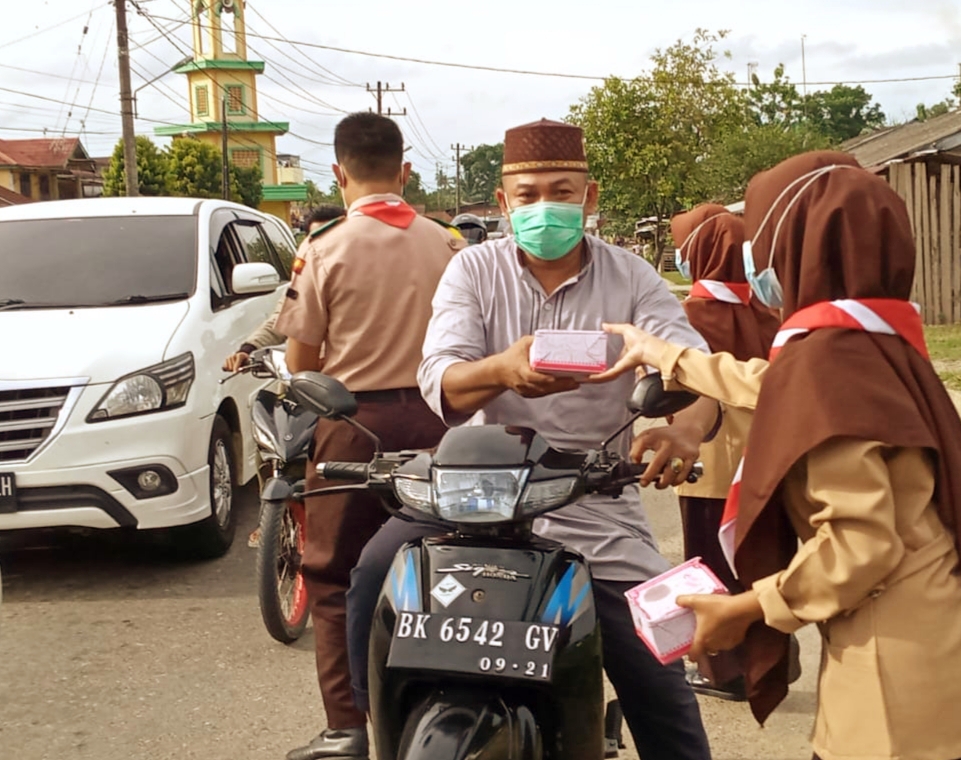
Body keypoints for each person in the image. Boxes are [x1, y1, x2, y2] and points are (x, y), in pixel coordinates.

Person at [598, 151, 961, 760]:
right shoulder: (876, 340)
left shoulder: (830, 363)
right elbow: (782, 387)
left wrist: (745, 609)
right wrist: (669, 357)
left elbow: (860, 545)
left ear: (793, 246)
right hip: (958, 663)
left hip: (897, 705)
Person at [346, 119, 719, 760]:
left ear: (589, 197)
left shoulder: (633, 280)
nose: (545, 206)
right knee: (373, 576)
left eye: (562, 191)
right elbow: (440, 378)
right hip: (471, 494)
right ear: (503, 203)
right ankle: (367, 731)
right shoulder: (470, 271)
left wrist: (684, 430)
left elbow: (697, 369)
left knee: (656, 669)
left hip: (592, 492)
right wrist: (503, 370)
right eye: (528, 195)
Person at [275, 112, 465, 760]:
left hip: (353, 430)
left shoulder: (323, 249)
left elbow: (301, 365)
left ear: (338, 171)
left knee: (331, 579)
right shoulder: (449, 245)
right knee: (450, 564)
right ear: (405, 170)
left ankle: (349, 729)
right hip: (445, 427)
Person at [665, 204, 781, 702]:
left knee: (708, 562)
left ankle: (721, 670)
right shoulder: (765, 312)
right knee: (758, 564)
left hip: (709, 466)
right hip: (763, 463)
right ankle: (766, 667)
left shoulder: (688, 315)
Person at [222, 205, 345, 374]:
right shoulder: (305, 279)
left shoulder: (361, 279)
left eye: (331, 238)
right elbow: (280, 321)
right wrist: (247, 349)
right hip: (312, 384)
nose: (323, 247)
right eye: (317, 238)